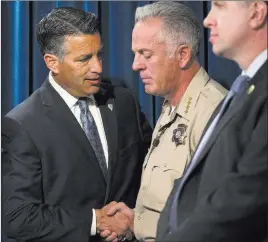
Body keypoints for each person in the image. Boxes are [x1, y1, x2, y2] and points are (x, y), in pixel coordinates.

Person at [1, 7, 152, 242]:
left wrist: (137, 220)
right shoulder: (23, 125)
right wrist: (95, 220)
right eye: (84, 59)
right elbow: (19, 218)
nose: (98, 68)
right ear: (52, 62)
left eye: (99, 55)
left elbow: (149, 171)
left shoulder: (123, 101)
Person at [101, 2, 227, 241]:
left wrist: (138, 225)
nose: (136, 65)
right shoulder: (171, 106)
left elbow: (212, 219)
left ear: (182, 55)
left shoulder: (212, 111)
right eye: (135, 54)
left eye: (146, 55)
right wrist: (135, 219)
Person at [157, 1, 268, 241]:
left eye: (220, 6)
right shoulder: (244, 87)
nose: (207, 20)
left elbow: (249, 193)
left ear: (257, 13)